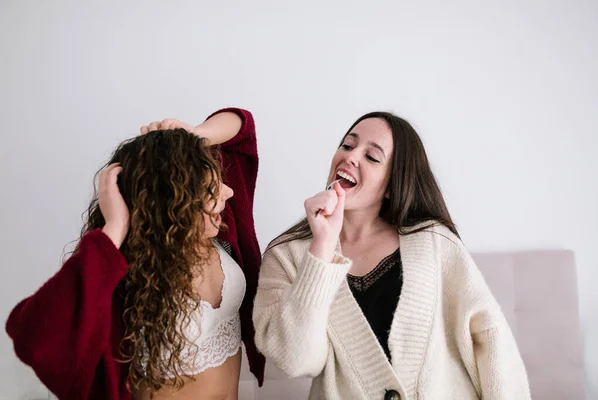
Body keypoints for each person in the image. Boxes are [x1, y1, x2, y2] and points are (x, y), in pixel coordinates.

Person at [253, 111, 531, 400]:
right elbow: (297, 361)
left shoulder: (434, 243)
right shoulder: (286, 256)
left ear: (390, 186)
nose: (351, 157)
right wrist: (321, 249)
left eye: (372, 157)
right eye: (348, 145)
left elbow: (491, 339)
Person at [6, 108, 265, 400]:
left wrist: (190, 136)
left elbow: (242, 128)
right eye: (210, 190)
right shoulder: (121, 267)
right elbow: (35, 337)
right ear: (173, 204)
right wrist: (115, 227)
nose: (228, 192)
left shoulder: (218, 231)